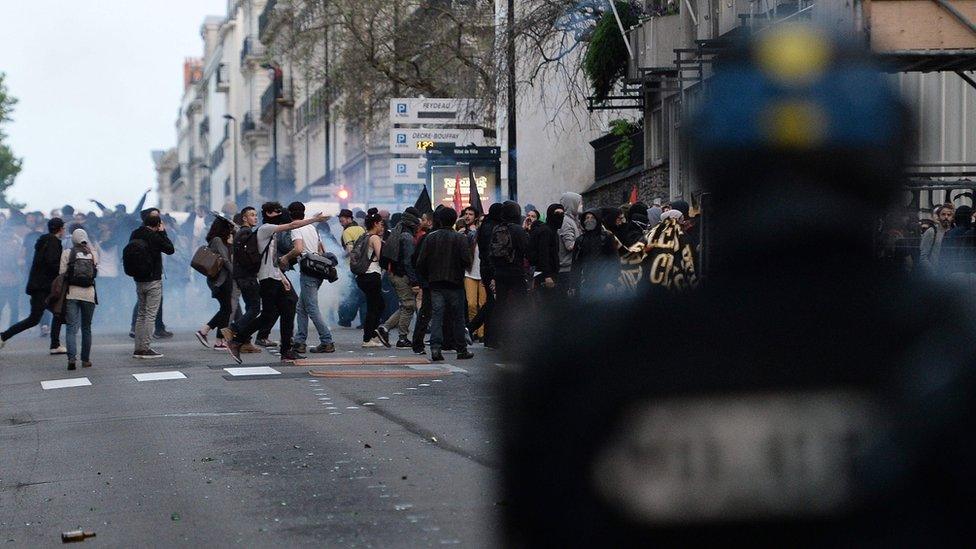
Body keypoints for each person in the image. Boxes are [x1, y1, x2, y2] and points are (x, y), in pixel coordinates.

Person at [224, 202, 328, 364]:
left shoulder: (270, 233)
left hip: (274, 277)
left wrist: (283, 278)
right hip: (267, 280)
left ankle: (285, 350)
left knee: (286, 307)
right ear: (270, 214)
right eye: (277, 212)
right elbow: (293, 224)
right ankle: (238, 339)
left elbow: (272, 260)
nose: (282, 214)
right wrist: (314, 219)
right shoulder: (265, 229)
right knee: (270, 313)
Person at [415, 207, 474, 361]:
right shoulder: (460, 238)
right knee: (458, 318)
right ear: (454, 220)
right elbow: (467, 261)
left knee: (437, 316)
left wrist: (428, 275)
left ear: (438, 220)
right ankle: (461, 349)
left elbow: (421, 262)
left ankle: (435, 349)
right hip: (455, 283)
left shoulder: (430, 238)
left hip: (435, 284)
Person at [0, 217, 66, 353]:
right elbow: (51, 263)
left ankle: (55, 345)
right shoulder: (53, 242)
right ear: (60, 229)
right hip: (44, 287)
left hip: (39, 285)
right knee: (35, 319)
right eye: (63, 228)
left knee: (54, 315)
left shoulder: (43, 241)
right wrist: (63, 270)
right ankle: (3, 336)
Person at [279, 201, 336, 354]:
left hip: (308, 271)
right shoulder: (312, 227)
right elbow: (320, 249)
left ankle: (327, 341)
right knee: (301, 308)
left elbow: (298, 249)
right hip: (318, 270)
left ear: (290, 214)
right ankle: (299, 342)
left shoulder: (297, 228)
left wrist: (285, 257)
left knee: (311, 307)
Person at [129, 208, 175, 359]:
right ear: (157, 224)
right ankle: (145, 348)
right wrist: (163, 232)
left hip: (138, 279)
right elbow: (170, 249)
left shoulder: (135, 233)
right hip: (153, 279)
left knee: (141, 314)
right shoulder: (155, 236)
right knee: (150, 315)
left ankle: (138, 348)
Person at [377, 207, 421, 348]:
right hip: (402, 274)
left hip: (394, 273)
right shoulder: (406, 236)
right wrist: (414, 280)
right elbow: (408, 261)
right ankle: (402, 338)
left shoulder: (398, 230)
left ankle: (384, 329)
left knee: (405, 305)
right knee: (408, 305)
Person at [489, 201, 530, 348]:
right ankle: (519, 337)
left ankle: (494, 338)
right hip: (516, 270)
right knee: (521, 304)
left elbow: (491, 252)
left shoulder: (497, 228)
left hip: (500, 271)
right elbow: (527, 249)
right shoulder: (518, 230)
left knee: (500, 305)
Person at [227, 207, 263, 354]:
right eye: (252, 215)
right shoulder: (246, 233)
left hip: (242, 276)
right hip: (247, 276)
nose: (255, 218)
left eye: (256, 215)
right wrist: (257, 265)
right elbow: (248, 256)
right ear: (244, 218)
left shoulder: (241, 233)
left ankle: (244, 341)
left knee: (250, 308)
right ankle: (233, 330)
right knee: (255, 308)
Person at [195, 217, 234, 351]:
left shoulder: (219, 240)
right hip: (221, 280)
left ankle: (218, 339)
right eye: (229, 228)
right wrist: (236, 273)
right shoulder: (217, 240)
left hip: (223, 279)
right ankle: (206, 332)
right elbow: (225, 259)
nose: (231, 231)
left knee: (226, 309)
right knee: (226, 309)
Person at [61, 228, 98, 370]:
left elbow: (62, 273)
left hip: (72, 293)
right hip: (89, 294)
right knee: (86, 327)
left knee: (71, 327)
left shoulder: (67, 253)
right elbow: (95, 272)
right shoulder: (92, 253)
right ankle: (86, 359)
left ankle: (71, 358)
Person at [355, 212, 388, 348]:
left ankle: (372, 335)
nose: (382, 227)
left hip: (362, 276)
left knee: (378, 305)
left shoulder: (364, 236)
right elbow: (381, 258)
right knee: (374, 307)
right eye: (381, 224)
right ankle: (368, 338)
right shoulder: (374, 238)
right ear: (375, 224)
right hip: (372, 274)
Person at [573, 210, 620, 300]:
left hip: (605, 283)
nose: (589, 220)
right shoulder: (580, 240)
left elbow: (615, 260)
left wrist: (612, 281)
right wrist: (573, 285)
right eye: (587, 218)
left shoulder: (607, 237)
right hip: (586, 283)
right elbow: (576, 264)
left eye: (592, 217)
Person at [337, 208, 367, 328]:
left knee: (350, 293)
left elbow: (350, 250)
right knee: (363, 295)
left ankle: (346, 319)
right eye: (340, 221)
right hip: (364, 265)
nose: (341, 223)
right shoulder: (361, 229)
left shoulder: (347, 232)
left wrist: (340, 256)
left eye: (342, 220)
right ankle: (364, 321)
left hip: (351, 267)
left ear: (349, 219)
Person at [528, 204, 562, 301]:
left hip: (551, 273)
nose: (560, 216)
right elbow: (543, 253)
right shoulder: (546, 231)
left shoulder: (553, 231)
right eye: (557, 213)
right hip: (545, 275)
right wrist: (547, 275)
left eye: (561, 214)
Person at [557, 192, 583, 296]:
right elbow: (570, 245)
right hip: (567, 269)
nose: (581, 206)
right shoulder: (565, 221)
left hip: (572, 267)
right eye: (579, 203)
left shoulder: (573, 220)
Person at [920, 204, 953, 273]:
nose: (946, 217)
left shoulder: (953, 233)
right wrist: (934, 273)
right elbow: (923, 257)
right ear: (938, 216)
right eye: (943, 214)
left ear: (952, 217)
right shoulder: (932, 232)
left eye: (949, 215)